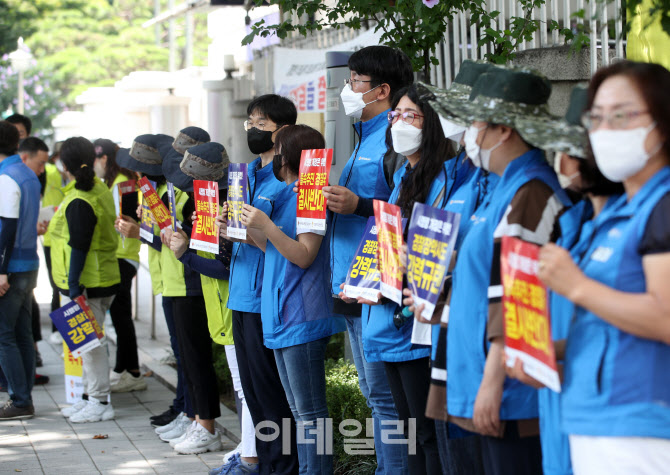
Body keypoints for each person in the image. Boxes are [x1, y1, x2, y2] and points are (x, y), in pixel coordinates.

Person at [536, 60, 670, 474]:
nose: (605, 129)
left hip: (639, 421)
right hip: (594, 417)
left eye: (623, 115)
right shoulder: (624, 211)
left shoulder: (662, 205)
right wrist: (550, 353)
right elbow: (610, 319)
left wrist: (576, 286)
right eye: (597, 117)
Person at [441, 67, 572, 474]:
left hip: (510, 392)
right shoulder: (501, 185)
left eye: (477, 124)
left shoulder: (531, 191)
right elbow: (482, 277)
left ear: (504, 131)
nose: (470, 135)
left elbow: (517, 295)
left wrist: (492, 383)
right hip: (481, 377)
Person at [510, 84, 624, 475]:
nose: (558, 160)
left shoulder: (634, 222)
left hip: (608, 407)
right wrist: (544, 351)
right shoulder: (574, 222)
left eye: (567, 150)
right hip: (561, 396)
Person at [325, 45, 414, 474]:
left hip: (377, 282)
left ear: (381, 90)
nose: (347, 89)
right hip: (350, 278)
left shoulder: (394, 139)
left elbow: (404, 212)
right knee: (372, 390)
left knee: (384, 395)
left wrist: (358, 204)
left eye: (355, 82)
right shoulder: (364, 135)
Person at [241, 124, 345, 475]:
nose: (275, 156)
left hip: (302, 313)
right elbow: (274, 247)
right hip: (281, 312)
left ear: (290, 157)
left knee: (310, 413)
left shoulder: (311, 193)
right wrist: (243, 233)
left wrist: (267, 226)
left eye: (279, 149)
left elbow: (303, 255)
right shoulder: (288, 191)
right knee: (299, 412)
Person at [167, 141, 259, 473]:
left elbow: (225, 266)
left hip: (234, 307)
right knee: (241, 385)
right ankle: (247, 447)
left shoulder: (231, 204)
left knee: (246, 387)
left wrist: (186, 255)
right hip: (222, 308)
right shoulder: (213, 206)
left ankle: (251, 454)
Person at [219, 94, 299, 475]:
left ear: (281, 130)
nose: (252, 129)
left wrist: (246, 233)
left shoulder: (286, 182)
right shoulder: (244, 174)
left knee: (271, 395)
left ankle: (282, 467)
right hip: (240, 294)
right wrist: (224, 229)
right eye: (250, 121)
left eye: (261, 123)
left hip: (265, 297)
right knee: (252, 392)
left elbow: (285, 247)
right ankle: (264, 465)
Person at [115, 136, 194, 429]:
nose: (136, 175)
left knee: (189, 355)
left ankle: (190, 412)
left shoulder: (180, 193)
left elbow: (174, 239)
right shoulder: (155, 191)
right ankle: (182, 406)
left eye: (140, 168)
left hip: (184, 281)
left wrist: (139, 232)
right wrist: (142, 225)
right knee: (182, 353)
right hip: (167, 281)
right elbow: (160, 235)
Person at [156, 134, 223, 455]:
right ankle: (197, 418)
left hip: (197, 284)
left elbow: (222, 260)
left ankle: (205, 424)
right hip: (190, 281)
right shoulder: (194, 195)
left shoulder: (216, 198)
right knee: (189, 357)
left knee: (198, 358)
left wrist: (185, 246)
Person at [49, 136, 120, 423]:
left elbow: (78, 245)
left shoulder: (80, 199)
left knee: (90, 345)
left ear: (65, 165)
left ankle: (100, 401)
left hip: (87, 282)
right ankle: (91, 397)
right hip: (97, 276)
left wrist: (74, 285)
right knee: (87, 342)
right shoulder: (96, 188)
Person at [91, 138, 146, 392]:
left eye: (94, 161)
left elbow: (118, 223)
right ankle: (126, 369)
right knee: (120, 314)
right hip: (125, 255)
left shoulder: (119, 184)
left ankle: (131, 372)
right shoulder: (125, 181)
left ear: (103, 159)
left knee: (121, 315)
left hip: (121, 255)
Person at [0, 121, 40, 419]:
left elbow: (7, 226)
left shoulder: (6, 176)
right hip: (28, 262)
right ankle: (24, 396)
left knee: (4, 334)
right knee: (22, 332)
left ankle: (20, 399)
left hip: (10, 266)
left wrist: (1, 270)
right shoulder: (26, 172)